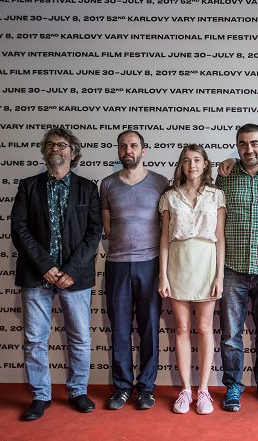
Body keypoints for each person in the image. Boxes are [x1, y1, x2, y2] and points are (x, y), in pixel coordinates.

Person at [11, 128, 102, 421]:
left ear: (72, 152)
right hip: (37, 275)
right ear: (43, 151)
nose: (55, 149)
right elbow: (19, 229)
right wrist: (46, 267)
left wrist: (71, 271)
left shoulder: (88, 188)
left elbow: (94, 233)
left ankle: (77, 391)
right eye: (49, 145)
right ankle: (40, 395)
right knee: (35, 338)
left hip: (76, 277)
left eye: (61, 145)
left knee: (79, 338)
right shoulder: (28, 186)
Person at [215, 124, 258, 412]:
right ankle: (233, 385)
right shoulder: (225, 177)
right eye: (242, 144)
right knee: (230, 333)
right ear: (237, 147)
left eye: (254, 143)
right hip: (232, 266)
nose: (249, 149)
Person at [100, 130, 169, 410]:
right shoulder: (106, 185)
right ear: (118, 151)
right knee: (119, 329)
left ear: (143, 151)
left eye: (133, 145)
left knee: (150, 328)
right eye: (123, 146)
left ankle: (146, 388)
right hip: (117, 264)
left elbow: (167, 224)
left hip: (150, 264)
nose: (128, 150)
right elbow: (107, 226)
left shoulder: (160, 183)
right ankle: (122, 387)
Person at [158, 144, 226, 415]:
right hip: (178, 263)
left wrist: (219, 275)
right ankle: (186, 390)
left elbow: (220, 238)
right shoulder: (169, 197)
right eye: (186, 160)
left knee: (205, 327)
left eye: (197, 160)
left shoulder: (217, 195)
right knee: (183, 328)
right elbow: (164, 239)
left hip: (206, 263)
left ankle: (205, 391)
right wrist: (163, 275)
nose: (192, 165)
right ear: (181, 165)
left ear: (206, 164)